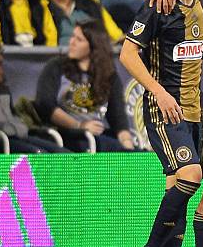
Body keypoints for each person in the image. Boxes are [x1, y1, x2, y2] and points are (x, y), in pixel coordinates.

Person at [120, 0, 203, 247]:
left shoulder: (202, 4)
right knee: (191, 175)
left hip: (194, 110)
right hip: (163, 108)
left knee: (178, 188)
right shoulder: (157, 6)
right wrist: (157, 90)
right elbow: (127, 54)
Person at [35, 19, 134, 152]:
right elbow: (45, 106)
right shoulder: (56, 67)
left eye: (79, 39)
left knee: (130, 153)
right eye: (72, 37)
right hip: (65, 134)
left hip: (96, 136)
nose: (72, 42)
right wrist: (79, 125)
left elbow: (118, 119)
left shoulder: (109, 76)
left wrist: (128, 145)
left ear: (93, 46)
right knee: (100, 144)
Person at [0, 21, 67, 153]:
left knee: (62, 156)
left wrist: (22, 127)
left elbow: (11, 113)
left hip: (14, 134)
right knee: (38, 156)